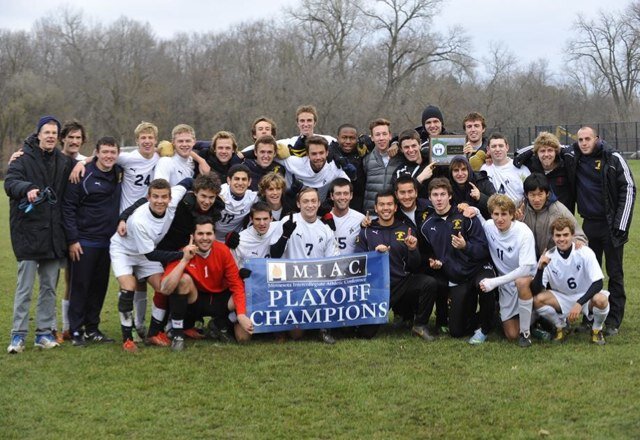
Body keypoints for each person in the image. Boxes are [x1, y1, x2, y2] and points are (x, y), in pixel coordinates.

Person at [5, 116, 75, 353]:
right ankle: (18, 335)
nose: (51, 136)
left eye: (55, 133)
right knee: (24, 288)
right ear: (38, 135)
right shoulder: (22, 158)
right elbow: (10, 183)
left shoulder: (63, 161)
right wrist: (27, 189)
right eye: (47, 132)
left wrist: (84, 164)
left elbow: (82, 163)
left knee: (49, 287)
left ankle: (44, 333)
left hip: (54, 235)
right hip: (28, 233)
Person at [565, 126, 635, 335]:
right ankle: (591, 315)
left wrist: (621, 225)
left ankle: (613, 320)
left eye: (588, 139)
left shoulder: (612, 157)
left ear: (597, 139)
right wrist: (519, 156)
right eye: (580, 139)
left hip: (611, 225)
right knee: (588, 273)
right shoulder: (573, 154)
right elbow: (546, 146)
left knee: (615, 273)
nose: (584, 143)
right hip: (588, 226)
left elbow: (629, 188)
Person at [109, 178, 189, 352]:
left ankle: (154, 332)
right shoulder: (139, 220)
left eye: (164, 197)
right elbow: (151, 254)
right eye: (155, 197)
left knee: (164, 287)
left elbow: (188, 181)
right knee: (129, 287)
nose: (160, 201)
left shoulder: (174, 199)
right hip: (124, 249)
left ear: (170, 198)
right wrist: (182, 254)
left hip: (145, 250)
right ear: (148, 197)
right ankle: (127, 338)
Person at [62, 136, 122, 346]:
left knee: (99, 287)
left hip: (108, 242)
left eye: (112, 152)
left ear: (118, 154)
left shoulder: (118, 172)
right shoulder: (82, 175)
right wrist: (72, 239)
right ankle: (76, 330)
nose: (108, 156)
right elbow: (68, 208)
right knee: (80, 287)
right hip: (84, 242)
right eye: (104, 152)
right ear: (96, 152)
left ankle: (92, 329)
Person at [420, 178, 496, 344]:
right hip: (457, 277)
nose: (439, 199)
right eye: (435, 195)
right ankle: (492, 315)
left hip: (478, 268)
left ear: (450, 196)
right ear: (430, 198)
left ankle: (485, 326)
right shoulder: (427, 225)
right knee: (456, 331)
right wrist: (433, 261)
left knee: (486, 285)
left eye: (442, 194)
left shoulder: (466, 216)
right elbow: (427, 253)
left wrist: (465, 246)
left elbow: (484, 249)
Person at [355, 191, 438, 340]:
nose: (385, 208)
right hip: (377, 287)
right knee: (365, 334)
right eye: (381, 204)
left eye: (389, 204)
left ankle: (419, 325)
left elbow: (414, 265)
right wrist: (374, 255)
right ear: (375, 207)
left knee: (429, 283)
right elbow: (357, 263)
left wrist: (413, 249)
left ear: (395, 208)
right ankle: (395, 317)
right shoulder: (366, 231)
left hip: (401, 282)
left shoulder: (405, 229)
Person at [160, 217, 253, 351]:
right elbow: (165, 288)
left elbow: (236, 284)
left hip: (220, 300)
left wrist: (241, 314)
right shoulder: (183, 252)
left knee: (244, 287)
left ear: (214, 235)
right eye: (200, 234)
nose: (205, 238)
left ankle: (221, 324)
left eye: (209, 234)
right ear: (193, 236)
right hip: (195, 301)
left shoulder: (222, 251)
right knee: (183, 280)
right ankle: (178, 334)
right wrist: (184, 260)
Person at [270, 187, 339, 344]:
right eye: (306, 201)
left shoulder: (325, 229)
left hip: (316, 284)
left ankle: (323, 328)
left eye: (313, 201)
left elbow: (332, 263)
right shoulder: (287, 222)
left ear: (319, 203)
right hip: (292, 284)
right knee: (296, 334)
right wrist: (285, 235)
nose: (310, 205)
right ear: (298, 204)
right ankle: (282, 328)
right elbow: (274, 254)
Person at [532, 217, 610, 345]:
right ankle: (561, 327)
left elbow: (598, 283)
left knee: (601, 300)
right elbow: (536, 290)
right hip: (562, 297)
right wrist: (540, 269)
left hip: (585, 295)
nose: (561, 239)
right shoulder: (549, 257)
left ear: (573, 235)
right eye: (558, 235)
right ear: (552, 236)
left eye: (565, 235)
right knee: (537, 300)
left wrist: (579, 303)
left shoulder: (585, 252)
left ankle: (596, 330)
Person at [478, 194, 536, 347]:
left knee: (521, 282)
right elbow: (482, 222)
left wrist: (494, 282)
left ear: (512, 214)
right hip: (506, 286)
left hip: (529, 281)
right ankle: (531, 323)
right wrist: (474, 211)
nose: (500, 219)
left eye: (504, 214)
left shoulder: (524, 233)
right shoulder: (490, 226)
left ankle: (526, 332)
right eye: (496, 214)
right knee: (511, 335)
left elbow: (524, 269)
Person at [520, 173, 587, 258]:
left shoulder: (559, 211)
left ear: (547, 193)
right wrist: (516, 220)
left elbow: (580, 237)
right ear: (526, 195)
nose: (536, 199)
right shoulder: (519, 208)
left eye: (540, 194)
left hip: (553, 261)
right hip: (527, 260)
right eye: (532, 195)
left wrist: (577, 245)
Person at [277, 135, 350, 203]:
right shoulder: (295, 162)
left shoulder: (334, 167)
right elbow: (269, 156)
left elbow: (347, 184)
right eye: (314, 154)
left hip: (319, 207)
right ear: (307, 154)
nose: (318, 157)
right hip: (292, 203)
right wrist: (281, 150)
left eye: (321, 153)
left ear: (327, 153)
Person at [514, 132, 574, 212]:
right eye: (542, 151)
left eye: (550, 150)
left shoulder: (566, 166)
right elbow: (517, 158)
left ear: (556, 152)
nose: (546, 154)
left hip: (563, 217)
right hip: (538, 217)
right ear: (536, 153)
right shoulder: (531, 166)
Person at [362, 118, 404, 212]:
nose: (381, 138)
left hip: (394, 213)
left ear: (390, 136)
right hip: (371, 214)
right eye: (377, 135)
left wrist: (396, 143)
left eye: (384, 134)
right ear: (372, 138)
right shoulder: (366, 159)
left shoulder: (401, 157)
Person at [481, 133, 530, 204]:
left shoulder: (521, 169)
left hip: (518, 212)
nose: (497, 149)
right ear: (488, 149)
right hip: (494, 213)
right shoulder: (484, 169)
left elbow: (530, 193)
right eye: (494, 146)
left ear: (507, 147)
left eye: (501, 146)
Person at [215, 164, 259, 242]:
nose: (240, 183)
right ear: (229, 180)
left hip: (233, 240)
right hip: (210, 237)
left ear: (249, 182)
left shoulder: (253, 197)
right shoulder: (219, 192)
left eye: (244, 179)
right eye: (236, 179)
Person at [391, 129, 437, 198]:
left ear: (420, 144)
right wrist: (420, 178)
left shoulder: (433, 160)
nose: (411, 150)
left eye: (414, 146)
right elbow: (400, 196)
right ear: (401, 149)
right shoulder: (400, 172)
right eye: (406, 147)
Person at [327, 178, 365, 255]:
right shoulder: (324, 219)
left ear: (351, 195)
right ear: (332, 196)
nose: (342, 197)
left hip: (351, 266)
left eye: (345, 193)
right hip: (329, 266)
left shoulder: (360, 219)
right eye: (338, 193)